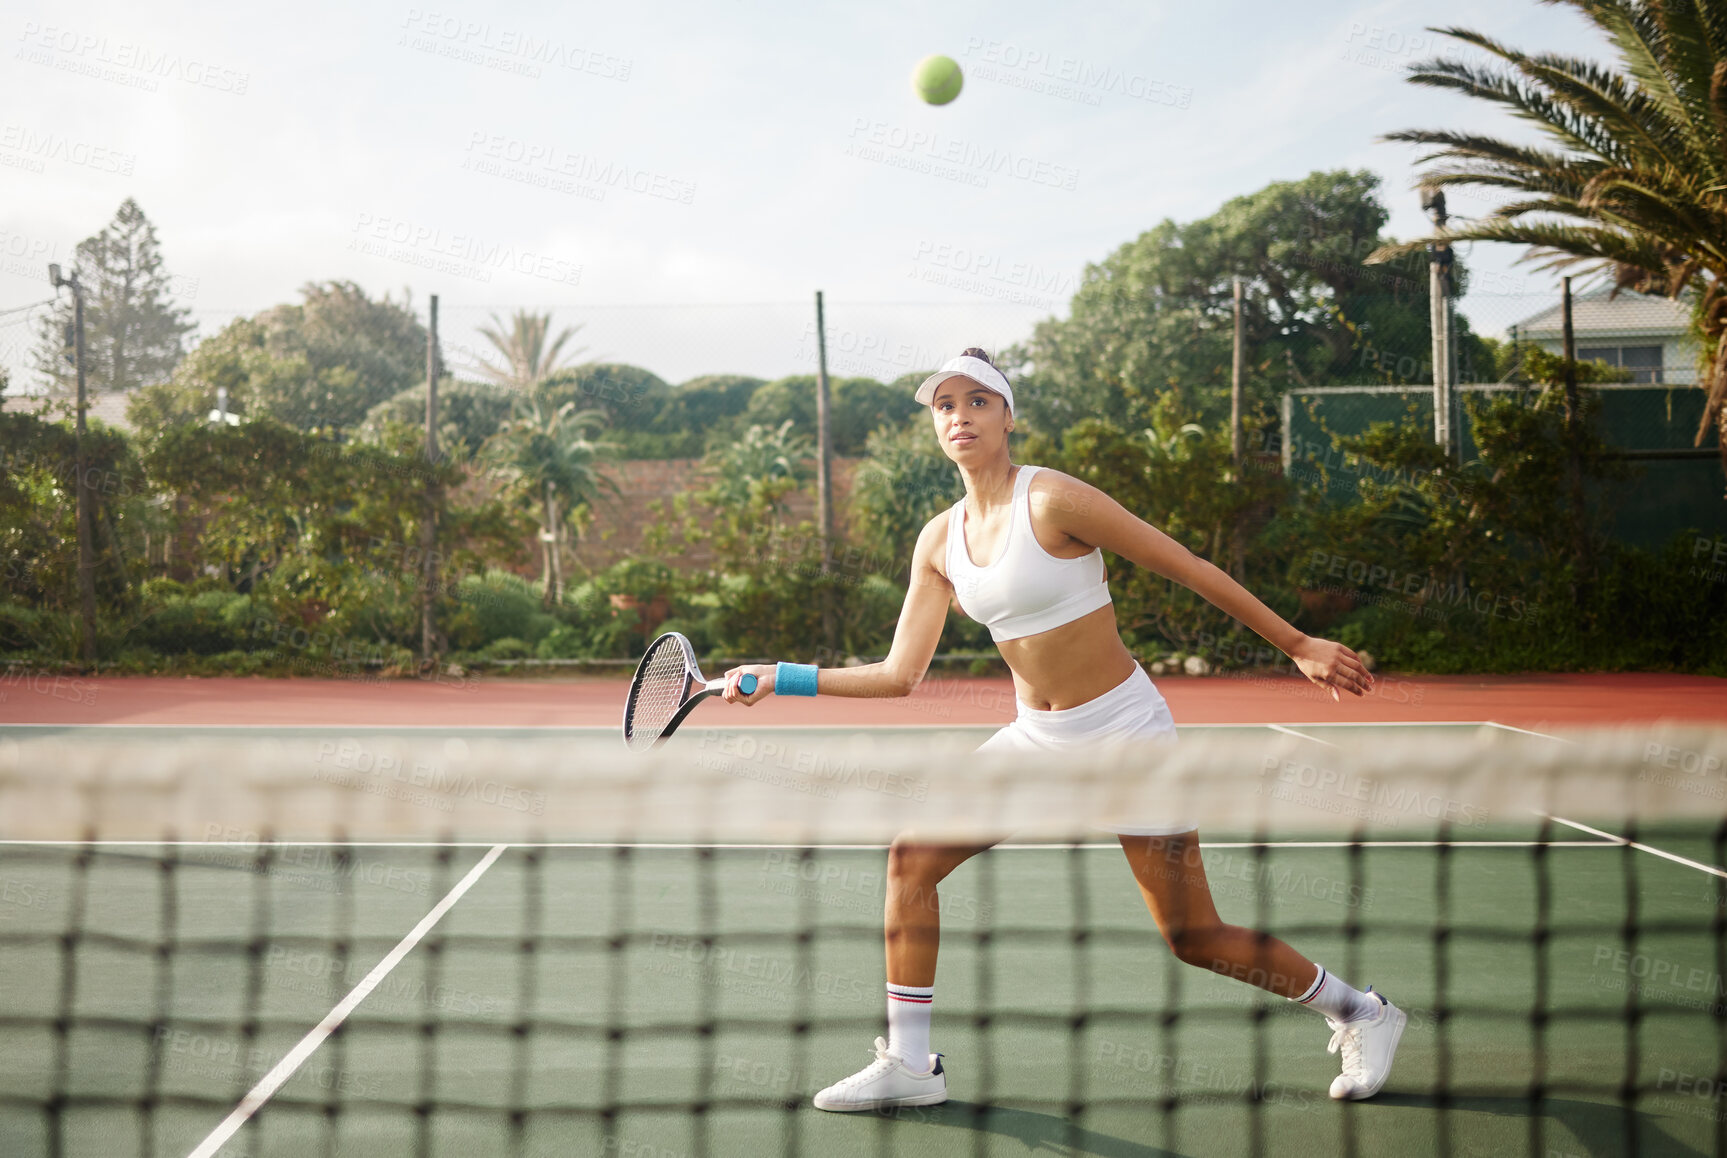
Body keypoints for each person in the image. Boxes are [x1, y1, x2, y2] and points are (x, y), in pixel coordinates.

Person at [720, 348, 1404, 1112]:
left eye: (977, 401)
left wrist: (1298, 645)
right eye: (944, 405)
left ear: (1007, 415)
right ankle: (910, 1066)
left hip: (1124, 737)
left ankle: (1361, 1012)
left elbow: (1184, 565)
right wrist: (784, 675)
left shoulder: (1053, 499)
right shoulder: (938, 541)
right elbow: (898, 675)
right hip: (1034, 741)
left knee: (1192, 937)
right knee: (911, 857)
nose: (959, 416)